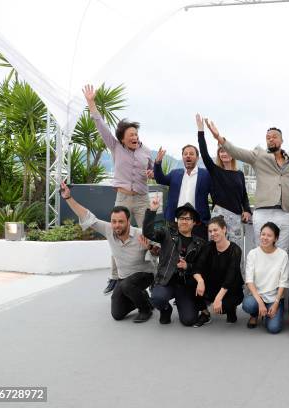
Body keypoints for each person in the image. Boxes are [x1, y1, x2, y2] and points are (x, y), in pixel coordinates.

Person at [204, 119, 289, 256]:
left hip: (284, 212)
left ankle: (279, 278)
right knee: (260, 251)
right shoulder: (259, 155)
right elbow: (236, 152)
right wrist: (219, 137)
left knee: (282, 252)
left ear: (282, 140)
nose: (270, 140)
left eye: (274, 137)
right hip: (263, 212)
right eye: (268, 138)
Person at [82, 84, 154, 295]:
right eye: (130, 134)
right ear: (122, 137)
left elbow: (152, 171)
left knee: (149, 235)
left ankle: (154, 274)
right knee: (116, 234)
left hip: (142, 199)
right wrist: (91, 103)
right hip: (123, 198)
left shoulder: (146, 151)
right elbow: (101, 126)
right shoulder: (115, 147)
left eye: (136, 134)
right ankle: (114, 276)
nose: (134, 137)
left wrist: (152, 172)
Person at [59, 182, 154, 322]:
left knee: (129, 285)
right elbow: (88, 217)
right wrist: (68, 198)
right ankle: (143, 298)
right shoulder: (109, 230)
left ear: (128, 221)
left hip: (145, 275)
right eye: (114, 221)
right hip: (124, 278)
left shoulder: (140, 234)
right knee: (117, 313)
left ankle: (146, 309)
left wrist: (150, 248)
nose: (116, 225)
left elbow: (160, 251)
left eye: (121, 222)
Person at [142, 196, 207, 326]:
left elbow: (201, 267)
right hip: (165, 281)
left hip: (185, 286)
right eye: (181, 218)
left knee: (189, 320)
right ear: (177, 221)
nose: (184, 221)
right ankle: (166, 310)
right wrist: (152, 211)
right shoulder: (167, 234)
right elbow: (148, 233)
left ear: (194, 222)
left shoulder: (200, 243)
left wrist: (187, 266)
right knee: (157, 298)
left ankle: (184, 305)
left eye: (188, 218)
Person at [196, 114, 251, 251]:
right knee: (216, 249)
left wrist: (248, 210)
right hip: (219, 215)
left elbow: (244, 195)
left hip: (237, 217)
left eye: (226, 151)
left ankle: (236, 273)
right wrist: (201, 130)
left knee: (236, 249)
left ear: (233, 154)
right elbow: (204, 152)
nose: (224, 154)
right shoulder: (215, 170)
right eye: (221, 151)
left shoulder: (239, 174)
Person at [193, 217, 244, 326]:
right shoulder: (208, 246)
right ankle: (205, 313)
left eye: (215, 230)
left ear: (224, 229)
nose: (212, 233)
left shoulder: (235, 250)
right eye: (210, 231)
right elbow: (197, 267)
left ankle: (231, 310)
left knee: (224, 307)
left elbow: (230, 278)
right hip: (213, 286)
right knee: (193, 282)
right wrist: (200, 281)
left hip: (230, 290)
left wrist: (218, 299)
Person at [154, 143, 211, 240]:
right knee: (174, 250)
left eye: (191, 154)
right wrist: (158, 163)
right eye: (185, 154)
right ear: (182, 157)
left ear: (197, 158)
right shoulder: (175, 173)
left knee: (198, 251)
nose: (188, 155)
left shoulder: (206, 174)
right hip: (175, 221)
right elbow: (160, 179)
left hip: (198, 222)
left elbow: (216, 192)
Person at [242, 222, 289, 334]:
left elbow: (283, 282)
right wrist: (260, 302)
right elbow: (249, 280)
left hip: (275, 298)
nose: (265, 238)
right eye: (263, 234)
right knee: (248, 304)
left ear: (275, 239)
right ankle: (255, 314)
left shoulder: (283, 255)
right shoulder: (253, 254)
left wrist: (276, 302)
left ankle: (268, 313)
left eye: (269, 235)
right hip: (257, 297)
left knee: (274, 328)